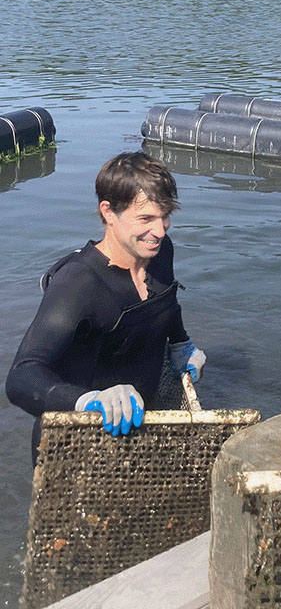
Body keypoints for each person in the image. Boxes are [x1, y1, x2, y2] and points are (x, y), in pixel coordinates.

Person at [6, 151, 206, 457]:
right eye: (146, 218)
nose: (160, 230)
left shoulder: (160, 250)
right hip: (76, 443)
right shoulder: (77, 284)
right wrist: (88, 400)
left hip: (140, 427)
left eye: (165, 215)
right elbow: (22, 377)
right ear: (108, 212)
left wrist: (181, 343)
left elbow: (167, 300)